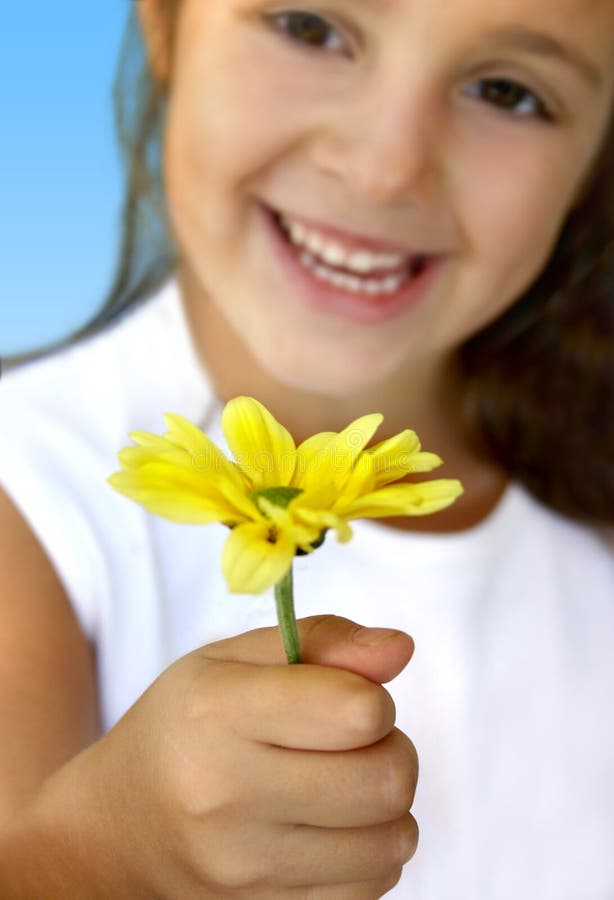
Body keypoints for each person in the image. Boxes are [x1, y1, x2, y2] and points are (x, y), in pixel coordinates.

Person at [0, 0, 612, 896]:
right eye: (312, 28)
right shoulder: (30, 503)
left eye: (505, 90)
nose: (384, 170)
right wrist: (104, 851)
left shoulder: (589, 516)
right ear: (163, 25)